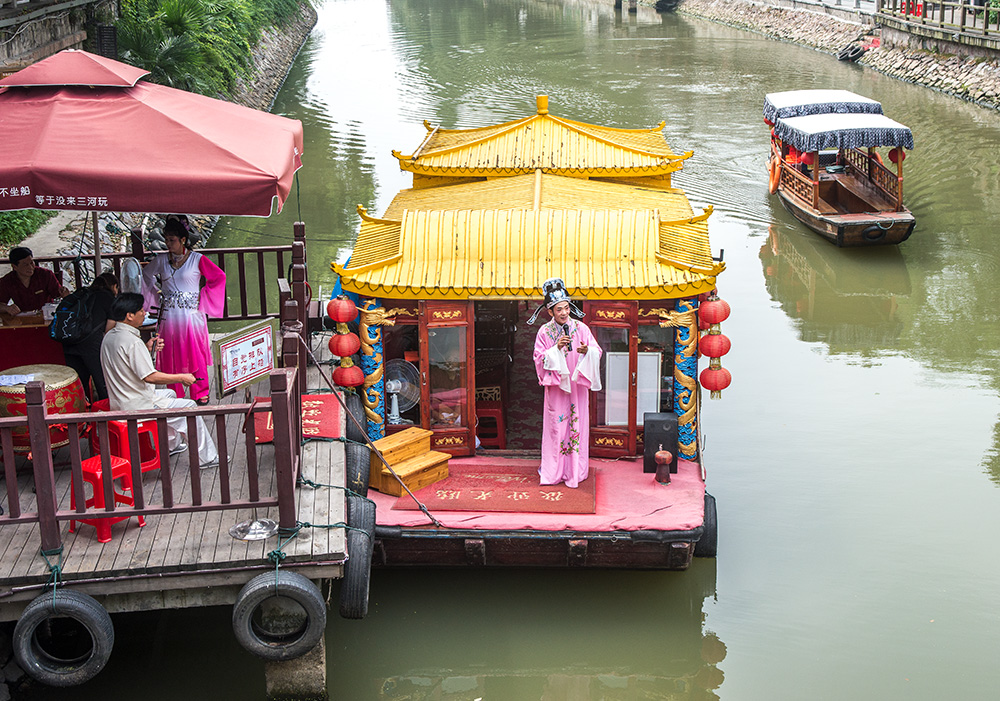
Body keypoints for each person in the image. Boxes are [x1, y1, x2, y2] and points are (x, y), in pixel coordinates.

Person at [100, 292, 218, 468]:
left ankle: (172, 445)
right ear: (129, 316)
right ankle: (207, 458)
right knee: (190, 407)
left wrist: (147, 349)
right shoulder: (132, 342)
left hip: (121, 399)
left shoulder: (110, 336)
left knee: (169, 393)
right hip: (137, 405)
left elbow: (127, 365)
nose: (144, 313)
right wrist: (181, 377)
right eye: (140, 310)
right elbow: (150, 376)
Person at [141, 216, 226, 405]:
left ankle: (200, 391)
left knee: (195, 351)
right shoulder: (162, 260)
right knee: (171, 352)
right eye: (166, 239)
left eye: (172, 240)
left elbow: (218, 277)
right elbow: (146, 276)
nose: (168, 244)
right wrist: (156, 296)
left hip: (191, 314)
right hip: (169, 315)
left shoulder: (197, 259)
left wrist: (203, 299)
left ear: (183, 240)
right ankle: (175, 391)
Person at [531, 278, 602, 489]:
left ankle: (575, 471)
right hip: (557, 388)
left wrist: (586, 352)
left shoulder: (581, 328)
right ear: (550, 311)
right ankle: (554, 470)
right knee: (556, 427)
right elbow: (538, 358)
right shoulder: (544, 332)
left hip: (576, 386)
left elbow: (597, 351)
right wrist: (555, 350)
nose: (564, 313)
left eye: (566, 308)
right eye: (558, 309)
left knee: (576, 426)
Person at [61, 271, 119, 403]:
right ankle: (106, 414)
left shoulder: (81, 293)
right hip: (91, 344)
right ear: (114, 286)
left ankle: (80, 413)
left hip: (70, 341)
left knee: (77, 383)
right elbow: (109, 327)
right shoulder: (108, 297)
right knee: (102, 381)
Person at [0, 246, 69, 314]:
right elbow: (1, 304)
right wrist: (7, 308)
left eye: (31, 263)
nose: (30, 267)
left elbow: (58, 294)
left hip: (46, 315)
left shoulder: (45, 275)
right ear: (14, 267)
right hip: (23, 319)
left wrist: (64, 294)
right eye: (25, 265)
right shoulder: (7, 281)